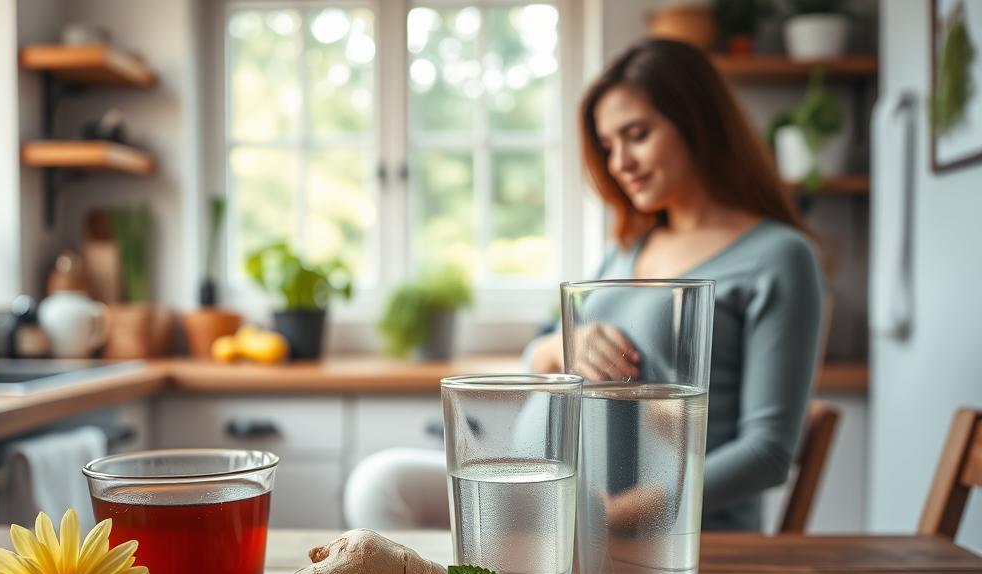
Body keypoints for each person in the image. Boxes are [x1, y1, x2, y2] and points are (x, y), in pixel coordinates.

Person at [346, 38, 823, 533]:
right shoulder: (628, 249)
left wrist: (616, 515)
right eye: (608, 145)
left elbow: (767, 454)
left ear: (697, 121)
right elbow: (538, 358)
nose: (619, 163)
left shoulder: (779, 257)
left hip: (658, 534)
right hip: (557, 499)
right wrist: (562, 345)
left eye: (636, 135)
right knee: (381, 483)